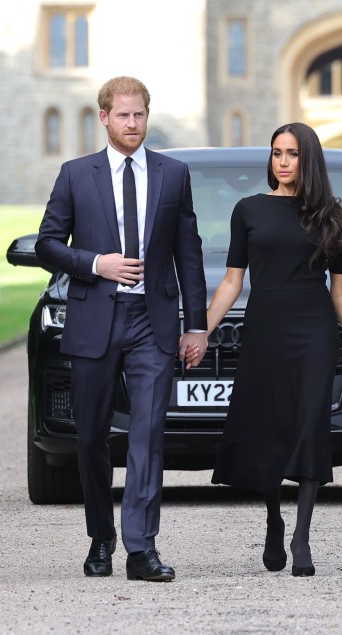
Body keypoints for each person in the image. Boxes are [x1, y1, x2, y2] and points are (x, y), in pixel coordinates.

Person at [35, 76, 208, 582]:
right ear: (104, 117)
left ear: (146, 117)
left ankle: (140, 547)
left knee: (148, 435)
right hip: (94, 319)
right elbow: (48, 243)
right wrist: (96, 264)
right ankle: (100, 537)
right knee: (90, 437)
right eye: (123, 115)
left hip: (151, 324)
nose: (132, 124)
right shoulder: (75, 175)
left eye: (140, 115)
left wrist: (195, 326)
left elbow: (189, 255)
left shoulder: (173, 174)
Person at [194, 122, 342, 577]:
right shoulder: (249, 210)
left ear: (307, 159)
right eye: (277, 152)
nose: (282, 161)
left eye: (292, 154)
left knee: (310, 422)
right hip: (265, 329)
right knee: (270, 427)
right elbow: (232, 282)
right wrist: (199, 331)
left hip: (314, 331)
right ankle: (275, 519)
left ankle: (302, 536)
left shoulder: (332, 216)